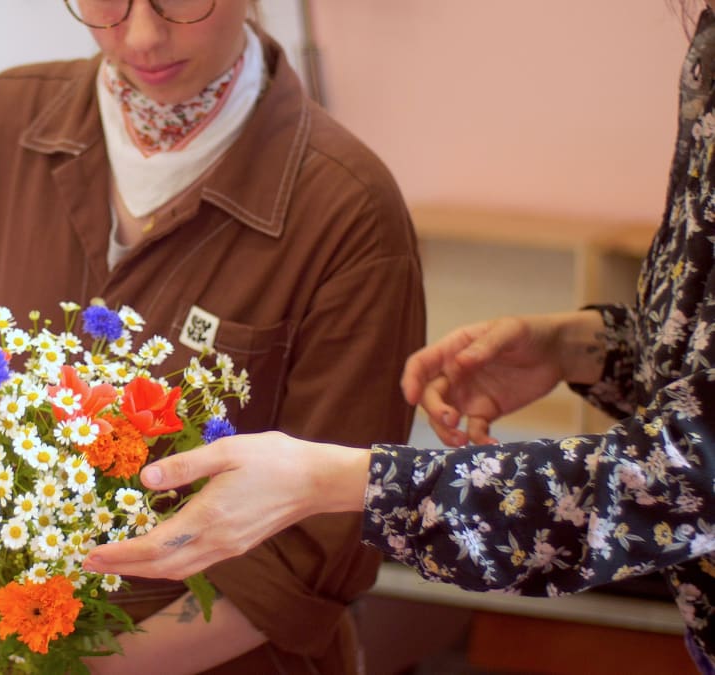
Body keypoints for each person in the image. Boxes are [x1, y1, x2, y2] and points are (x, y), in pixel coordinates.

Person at [82, 1, 715, 670]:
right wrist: (590, 346)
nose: (143, 35)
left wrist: (341, 480)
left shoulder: (346, 204)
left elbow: (684, 476)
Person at [0, 1, 425, 673]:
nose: (141, 35)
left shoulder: (349, 211)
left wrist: (82, 667)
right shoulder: (6, 125)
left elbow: (316, 551)